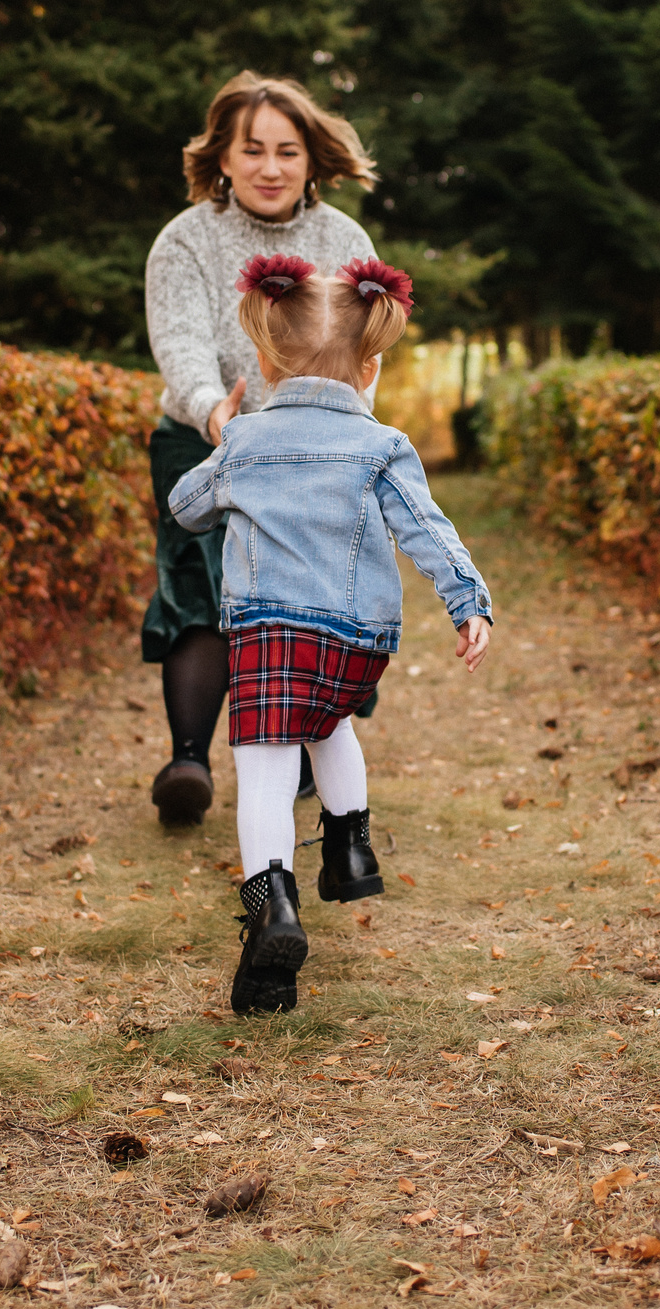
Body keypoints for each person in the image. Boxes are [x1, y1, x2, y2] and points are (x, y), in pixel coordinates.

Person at [167, 253, 493, 1015]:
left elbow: (186, 507)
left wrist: (223, 441)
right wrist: (467, 602)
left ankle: (272, 910)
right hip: (355, 643)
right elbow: (428, 531)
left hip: (268, 633)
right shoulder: (381, 446)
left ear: (264, 356)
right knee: (332, 724)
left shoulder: (245, 441)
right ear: (370, 365)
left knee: (266, 774)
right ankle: (350, 848)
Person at [141, 73, 382, 827]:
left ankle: (307, 745)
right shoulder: (184, 240)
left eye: (287, 151)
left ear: (312, 159)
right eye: (253, 150)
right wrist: (218, 414)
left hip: (320, 449)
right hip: (205, 436)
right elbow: (178, 341)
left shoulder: (344, 240)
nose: (270, 167)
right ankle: (188, 758)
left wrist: (345, 429)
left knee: (309, 600)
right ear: (224, 156)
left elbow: (368, 344)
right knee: (199, 585)